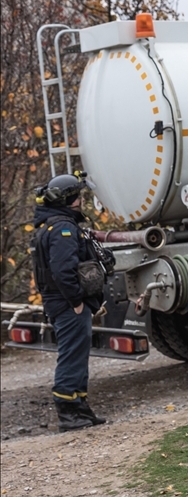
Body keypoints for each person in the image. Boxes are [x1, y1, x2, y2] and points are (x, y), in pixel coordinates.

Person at [31, 173, 106, 432]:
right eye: (79, 196)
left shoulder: (54, 225)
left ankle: (81, 409)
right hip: (67, 303)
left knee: (77, 355)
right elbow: (63, 271)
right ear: (69, 200)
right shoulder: (62, 229)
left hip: (63, 302)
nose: (82, 200)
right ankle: (69, 414)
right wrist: (76, 301)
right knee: (72, 356)